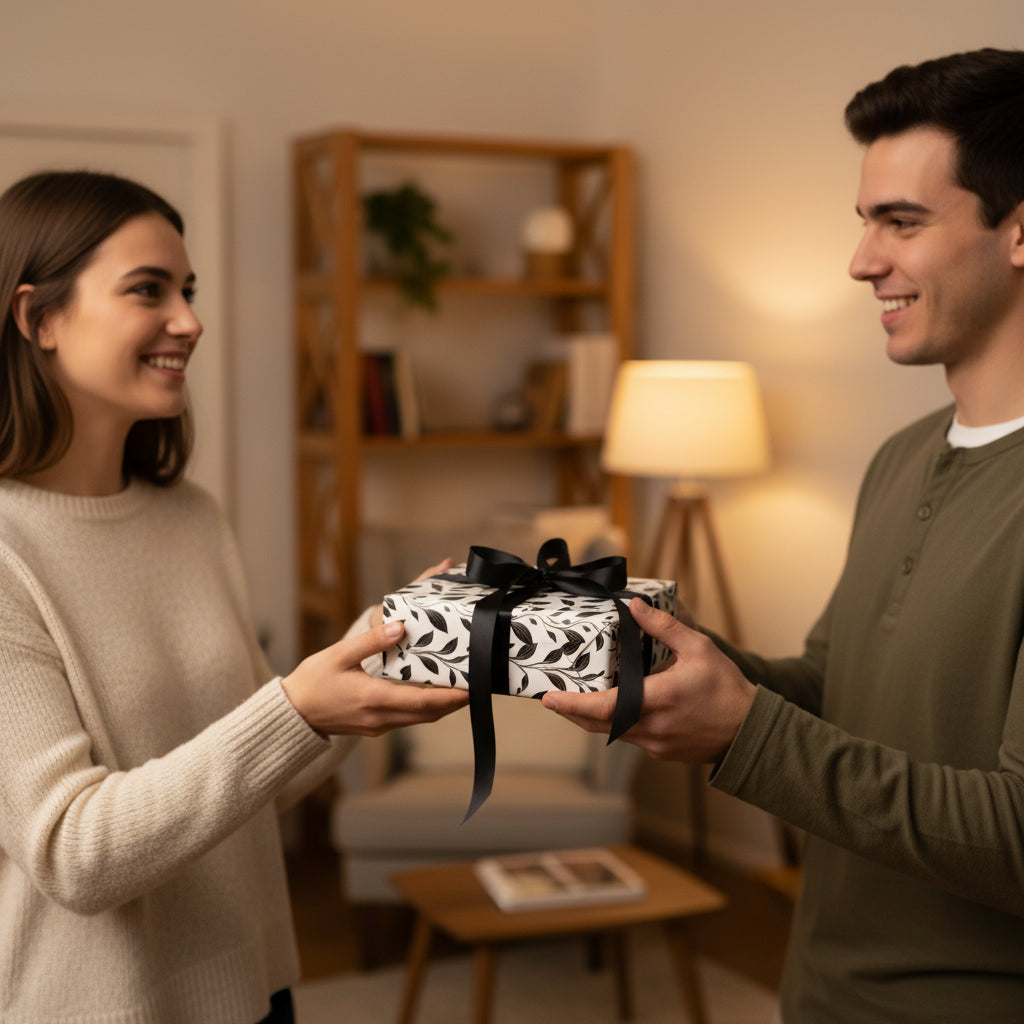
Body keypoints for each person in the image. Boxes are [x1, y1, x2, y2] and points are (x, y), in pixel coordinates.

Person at [542, 48, 1024, 1022]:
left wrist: (744, 733)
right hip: (816, 991)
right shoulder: (899, 457)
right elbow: (829, 690)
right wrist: (664, 655)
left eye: (903, 221)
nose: (861, 260)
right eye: (863, 222)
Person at [0, 170, 467, 1023]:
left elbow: (262, 781)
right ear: (39, 320)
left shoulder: (191, 519)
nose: (190, 320)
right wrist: (295, 706)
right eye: (150, 290)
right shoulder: (6, 556)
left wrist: (373, 661)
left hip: (258, 988)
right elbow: (76, 854)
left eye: (188, 290)